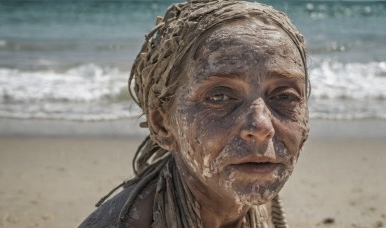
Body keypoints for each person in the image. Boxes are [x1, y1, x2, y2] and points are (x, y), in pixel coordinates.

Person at [80, 0, 309, 227]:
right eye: (219, 97)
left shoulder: (258, 199)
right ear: (163, 126)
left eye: (285, 96)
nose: (261, 127)